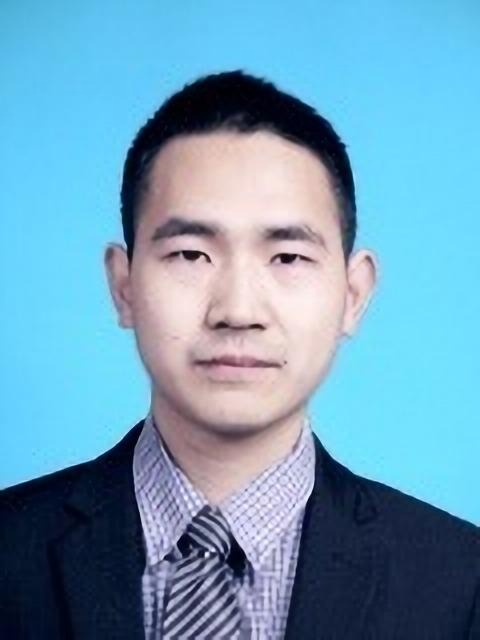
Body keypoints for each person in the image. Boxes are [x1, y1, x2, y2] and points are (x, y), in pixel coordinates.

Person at [0, 70, 478, 640]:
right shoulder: (11, 553)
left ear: (353, 295)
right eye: (190, 254)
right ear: (123, 286)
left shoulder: (459, 583)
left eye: (288, 258)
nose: (238, 310)